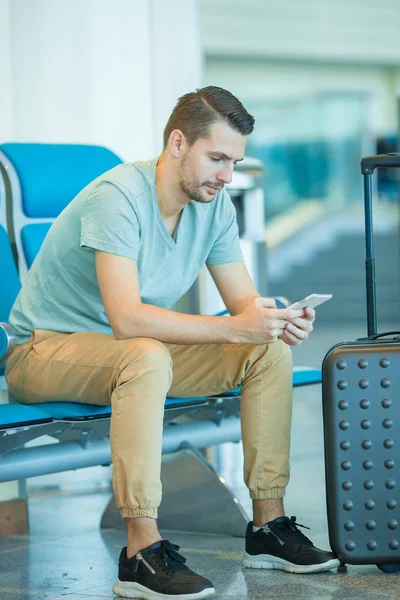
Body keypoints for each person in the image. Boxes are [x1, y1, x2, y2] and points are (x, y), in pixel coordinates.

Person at [5, 86, 339, 600]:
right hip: (43, 351)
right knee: (144, 353)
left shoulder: (214, 206)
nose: (227, 175)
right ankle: (140, 550)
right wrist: (236, 325)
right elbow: (127, 319)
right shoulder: (117, 197)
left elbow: (243, 305)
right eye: (218, 158)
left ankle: (268, 526)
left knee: (265, 351)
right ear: (179, 143)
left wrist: (277, 321)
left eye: (235, 161)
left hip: (131, 358)